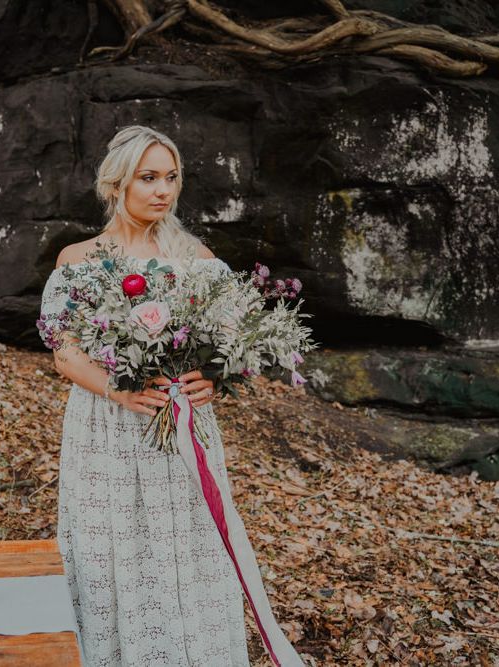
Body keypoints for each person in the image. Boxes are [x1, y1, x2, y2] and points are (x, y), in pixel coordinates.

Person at [39, 125, 303, 666]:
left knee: (187, 545)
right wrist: (118, 389)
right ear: (118, 184)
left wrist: (212, 377)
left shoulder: (198, 261)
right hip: (107, 430)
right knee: (112, 548)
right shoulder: (80, 260)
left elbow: (228, 343)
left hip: (181, 431)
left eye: (172, 177)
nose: (163, 190)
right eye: (149, 177)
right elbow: (64, 353)